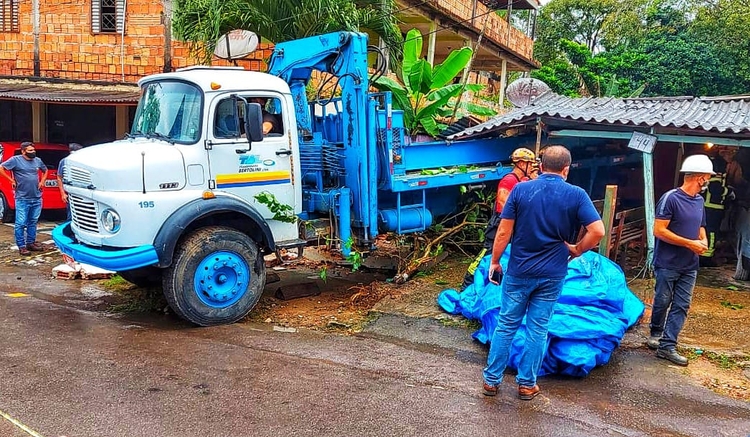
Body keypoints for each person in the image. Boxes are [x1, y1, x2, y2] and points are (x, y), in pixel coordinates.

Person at [482, 145, 604, 400]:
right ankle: (526, 385)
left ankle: (491, 381)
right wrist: (577, 250)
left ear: (540, 166)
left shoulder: (521, 190)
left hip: (519, 270)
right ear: (566, 169)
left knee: (506, 325)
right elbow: (598, 231)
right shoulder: (577, 195)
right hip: (552, 274)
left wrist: (495, 261)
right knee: (537, 329)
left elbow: (503, 232)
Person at [646, 154, 713, 366]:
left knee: (682, 304)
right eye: (707, 177)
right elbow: (659, 230)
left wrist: (702, 240)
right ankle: (656, 331)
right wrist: (688, 243)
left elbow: (700, 225)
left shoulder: (699, 201)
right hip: (668, 262)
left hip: (690, 264)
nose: (708, 180)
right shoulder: (671, 199)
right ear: (700, 178)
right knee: (663, 300)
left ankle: (667, 346)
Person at [459, 148, 538, 290]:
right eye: (530, 164)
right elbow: (503, 206)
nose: (532, 167)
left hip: (515, 227)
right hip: (500, 226)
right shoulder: (508, 181)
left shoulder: (524, 180)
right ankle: (467, 286)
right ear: (520, 164)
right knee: (487, 255)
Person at [0, 142, 49, 256]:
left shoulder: (37, 160)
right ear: (23, 151)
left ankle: (30, 243)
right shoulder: (15, 160)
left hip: (36, 197)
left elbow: (45, 170)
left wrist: (42, 181)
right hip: (22, 198)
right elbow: (1, 168)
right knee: (21, 223)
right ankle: (21, 246)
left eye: (33, 150)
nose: (33, 152)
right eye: (30, 150)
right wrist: (11, 180)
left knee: (33, 222)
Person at [57, 143, 83, 222]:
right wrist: (62, 194)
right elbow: (59, 177)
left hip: (83, 192)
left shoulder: (83, 161)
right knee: (71, 216)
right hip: (71, 193)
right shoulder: (64, 161)